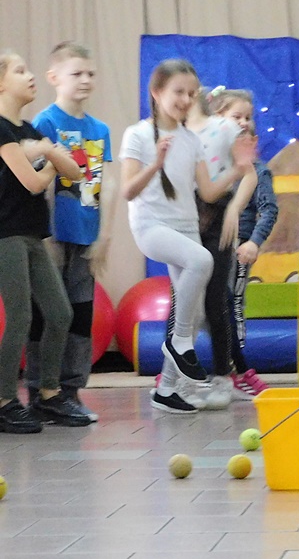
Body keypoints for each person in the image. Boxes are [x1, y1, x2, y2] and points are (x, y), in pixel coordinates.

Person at [119, 59, 255, 414]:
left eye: (191, 94)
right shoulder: (137, 134)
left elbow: (207, 192)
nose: (185, 99)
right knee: (202, 261)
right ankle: (178, 343)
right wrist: (155, 164)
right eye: (178, 92)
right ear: (156, 92)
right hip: (151, 227)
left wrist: (238, 170)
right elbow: (127, 191)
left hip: (186, 228)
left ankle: (166, 390)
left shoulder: (191, 140)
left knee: (192, 312)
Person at [0, 50, 94, 432]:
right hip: (6, 236)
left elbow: (76, 171)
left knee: (59, 313)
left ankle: (48, 395)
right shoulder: (2, 130)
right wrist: (50, 157)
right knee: (20, 317)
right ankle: (4, 400)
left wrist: (47, 151)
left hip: (34, 235)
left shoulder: (30, 131)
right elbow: (33, 183)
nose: (30, 76)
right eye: (20, 70)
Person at [28, 41, 116, 423]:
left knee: (81, 314)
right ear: (54, 77)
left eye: (90, 73)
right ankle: (40, 390)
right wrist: (47, 236)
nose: (85, 80)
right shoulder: (46, 122)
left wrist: (104, 236)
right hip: (54, 236)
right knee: (46, 313)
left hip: (86, 234)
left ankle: (70, 390)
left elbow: (107, 184)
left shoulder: (100, 129)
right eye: (76, 73)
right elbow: (40, 184)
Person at [211, 90, 278, 399]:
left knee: (233, 303)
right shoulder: (211, 164)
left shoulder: (258, 172)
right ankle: (182, 366)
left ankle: (237, 369)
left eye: (247, 118)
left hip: (238, 248)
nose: (242, 122)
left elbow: (269, 209)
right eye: (236, 116)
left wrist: (253, 242)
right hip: (212, 245)